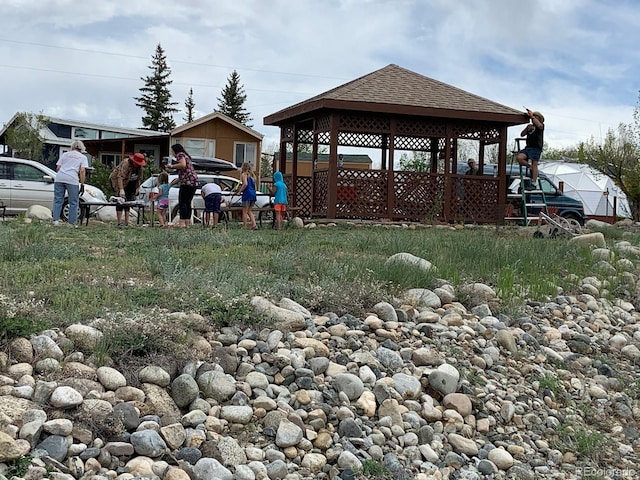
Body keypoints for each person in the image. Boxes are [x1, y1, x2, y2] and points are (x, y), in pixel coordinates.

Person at [52, 140, 88, 227]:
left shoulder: (65, 154)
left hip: (60, 178)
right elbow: (82, 171)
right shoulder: (82, 157)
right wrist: (82, 184)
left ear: (72, 147)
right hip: (72, 179)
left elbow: (58, 168)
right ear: (81, 148)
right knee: (73, 202)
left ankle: (55, 220)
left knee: (58, 200)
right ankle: (71, 223)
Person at [165, 143, 199, 228]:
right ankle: (187, 223)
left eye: (172, 150)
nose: (172, 152)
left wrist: (171, 166)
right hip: (193, 182)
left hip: (187, 183)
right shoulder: (187, 156)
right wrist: (171, 184)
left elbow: (182, 165)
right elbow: (182, 175)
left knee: (182, 202)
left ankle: (182, 222)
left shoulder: (180, 155)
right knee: (187, 203)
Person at [109, 152, 147, 226]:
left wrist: (137, 188)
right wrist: (121, 189)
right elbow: (120, 177)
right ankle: (119, 222)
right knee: (121, 200)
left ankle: (127, 221)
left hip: (130, 182)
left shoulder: (139, 168)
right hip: (118, 181)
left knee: (129, 201)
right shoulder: (126, 164)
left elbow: (139, 179)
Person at [516, 109, 545, 188]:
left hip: (536, 148)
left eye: (536, 116)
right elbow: (522, 134)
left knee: (535, 164)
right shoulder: (530, 126)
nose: (533, 118)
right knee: (519, 158)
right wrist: (527, 128)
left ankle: (534, 182)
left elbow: (539, 125)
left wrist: (532, 116)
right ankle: (529, 166)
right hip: (528, 147)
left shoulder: (541, 125)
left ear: (539, 118)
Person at [239, 162, 258, 230]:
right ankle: (254, 225)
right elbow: (255, 188)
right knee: (249, 211)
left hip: (247, 194)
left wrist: (239, 191)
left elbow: (245, 184)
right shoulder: (253, 176)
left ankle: (244, 226)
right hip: (253, 194)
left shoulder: (244, 174)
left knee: (244, 211)